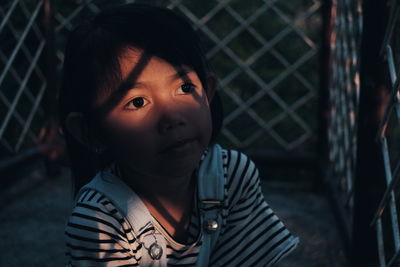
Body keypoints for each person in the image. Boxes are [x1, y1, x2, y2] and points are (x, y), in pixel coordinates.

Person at [59, 3, 300, 266]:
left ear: (207, 92)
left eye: (184, 87)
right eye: (138, 102)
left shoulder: (231, 177)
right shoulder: (99, 218)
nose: (172, 117)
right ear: (89, 132)